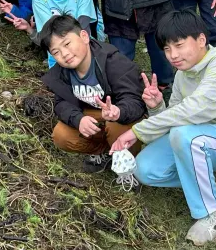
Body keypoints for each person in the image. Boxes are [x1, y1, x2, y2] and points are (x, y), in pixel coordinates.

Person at [110, 10, 216, 245]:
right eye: (167, 49)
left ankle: (213, 215)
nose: (173, 55)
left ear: (201, 40)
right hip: (197, 135)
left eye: (179, 45)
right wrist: (157, 106)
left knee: (187, 137)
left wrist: (138, 131)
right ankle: (204, 174)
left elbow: (188, 112)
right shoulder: (184, 72)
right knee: (145, 169)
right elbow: (175, 116)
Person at [40, 15, 145, 173]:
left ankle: (129, 162)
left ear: (84, 36)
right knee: (61, 135)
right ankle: (104, 152)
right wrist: (78, 119)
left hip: (119, 115)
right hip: (94, 115)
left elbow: (136, 101)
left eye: (67, 44)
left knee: (116, 126)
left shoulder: (114, 62)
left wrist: (119, 111)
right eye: (56, 52)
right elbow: (61, 103)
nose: (64, 54)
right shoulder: (62, 73)